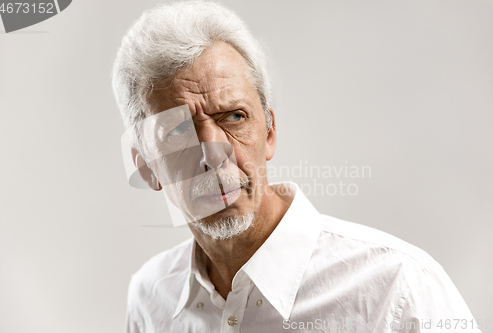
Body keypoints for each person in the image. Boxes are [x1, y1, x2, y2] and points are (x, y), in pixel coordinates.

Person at [112, 1, 481, 332]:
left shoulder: (399, 290)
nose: (213, 153)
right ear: (146, 167)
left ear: (269, 133)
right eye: (178, 131)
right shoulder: (150, 297)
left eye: (234, 117)